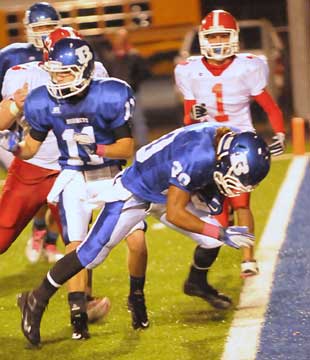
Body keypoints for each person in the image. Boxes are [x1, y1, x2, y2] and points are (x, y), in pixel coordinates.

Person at [13, 122, 271, 346]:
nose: (236, 184)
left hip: (169, 185)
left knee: (210, 238)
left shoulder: (229, 140)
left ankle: (196, 282)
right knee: (91, 255)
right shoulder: (199, 155)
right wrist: (222, 231)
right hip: (136, 190)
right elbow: (175, 213)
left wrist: (216, 221)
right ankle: (35, 299)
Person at [1, 36, 149, 338]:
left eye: (65, 72)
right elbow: (31, 147)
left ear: (84, 69)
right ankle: (78, 314)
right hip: (74, 177)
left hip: (110, 175)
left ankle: (136, 296)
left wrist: (99, 147)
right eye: (55, 72)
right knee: (77, 248)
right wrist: (15, 148)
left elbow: (126, 148)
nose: (58, 79)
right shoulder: (44, 100)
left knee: (137, 243)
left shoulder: (110, 94)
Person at [174, 10, 285, 287]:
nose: (219, 40)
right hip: (208, 143)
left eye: (223, 35)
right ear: (204, 39)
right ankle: (205, 267)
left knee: (241, 200)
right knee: (217, 210)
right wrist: (195, 114)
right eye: (213, 36)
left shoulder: (248, 66)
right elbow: (188, 119)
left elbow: (269, 105)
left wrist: (280, 132)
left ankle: (248, 258)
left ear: (234, 37)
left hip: (240, 141)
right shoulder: (190, 69)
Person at [0, 1, 63, 262]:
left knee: (76, 232)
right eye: (40, 27)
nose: (45, 32)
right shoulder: (13, 60)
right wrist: (13, 106)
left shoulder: (67, 52)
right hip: (19, 139)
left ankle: (80, 297)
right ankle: (39, 229)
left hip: (64, 151)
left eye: (50, 26)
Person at [99, 28, 150, 148]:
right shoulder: (111, 57)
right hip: (115, 95)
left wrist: (134, 82)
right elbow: (107, 73)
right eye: (118, 38)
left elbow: (145, 73)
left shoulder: (134, 56)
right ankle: (120, 147)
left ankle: (143, 146)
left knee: (138, 120)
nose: (120, 41)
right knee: (117, 122)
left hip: (132, 93)